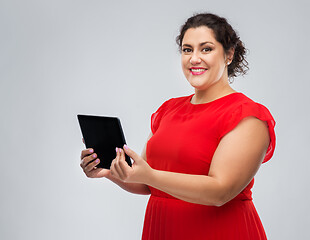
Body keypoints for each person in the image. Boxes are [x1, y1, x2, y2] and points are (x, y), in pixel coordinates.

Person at [80, 13, 276, 240]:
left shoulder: (247, 116)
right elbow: (147, 183)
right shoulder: (168, 110)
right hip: (163, 230)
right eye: (187, 49)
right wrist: (109, 172)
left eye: (206, 49)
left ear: (229, 54)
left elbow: (220, 191)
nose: (194, 58)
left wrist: (150, 176)